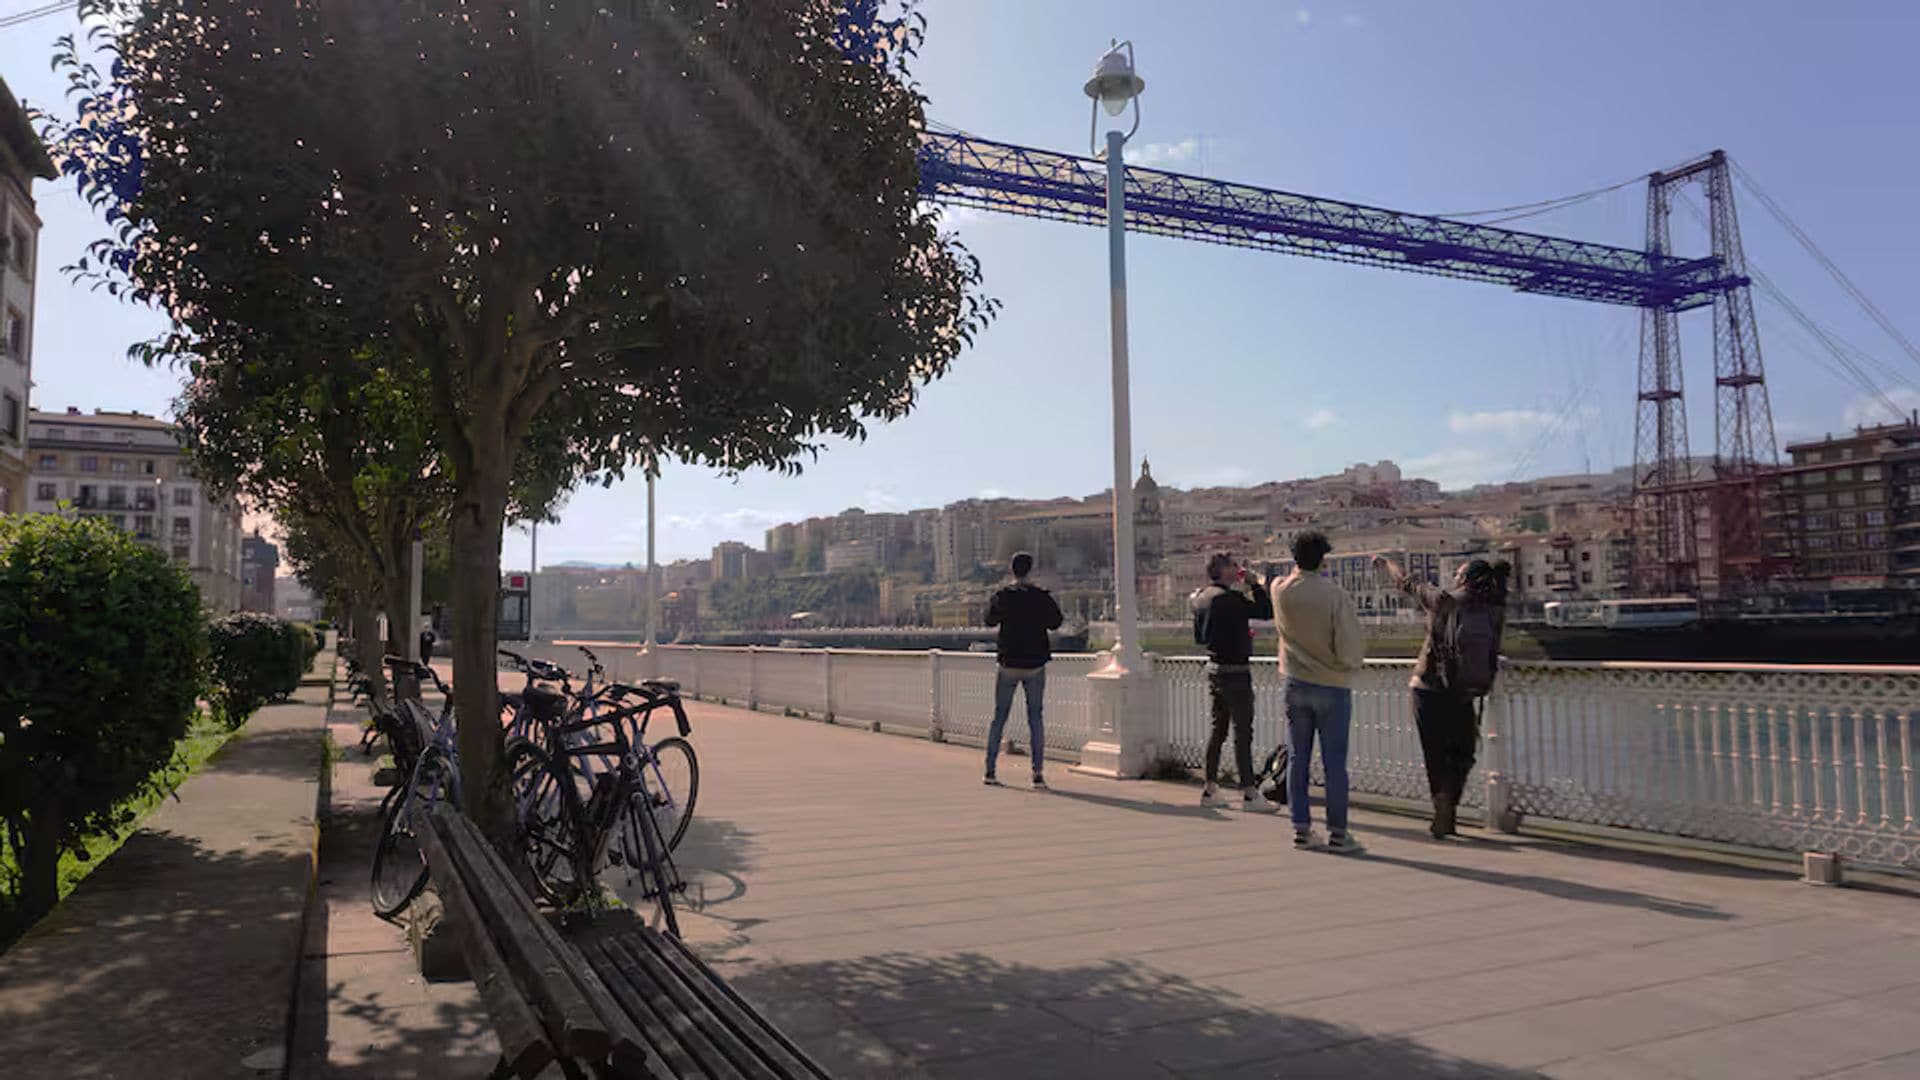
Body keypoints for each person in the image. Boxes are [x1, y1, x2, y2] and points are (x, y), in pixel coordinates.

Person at [1374, 555, 1511, 838]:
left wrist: (1387, 562)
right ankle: (1449, 802)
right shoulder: (1494, 608)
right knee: (1463, 753)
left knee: (1435, 754)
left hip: (1427, 687)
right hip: (1464, 691)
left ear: (1463, 579)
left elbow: (1406, 582)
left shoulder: (1443, 600)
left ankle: (1442, 807)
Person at [1271, 531, 1366, 853]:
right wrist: (1348, 664)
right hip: (1332, 685)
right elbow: (1348, 646)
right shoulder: (1334, 595)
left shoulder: (1279, 590)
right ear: (1323, 559)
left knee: (1298, 758)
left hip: (1295, 683)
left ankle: (1301, 828)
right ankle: (1338, 832)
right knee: (1334, 763)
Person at [1191, 552, 1279, 811]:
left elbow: (1199, 638)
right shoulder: (1229, 599)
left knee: (1218, 730)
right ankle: (1250, 792)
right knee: (1243, 733)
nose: (1238, 569)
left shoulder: (1200, 599)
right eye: (1234, 566)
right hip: (1236, 671)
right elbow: (1265, 611)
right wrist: (1254, 583)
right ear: (1222, 570)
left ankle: (1210, 788)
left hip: (1214, 668)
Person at [983, 551, 1064, 789]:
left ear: (1012, 570)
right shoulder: (1041, 597)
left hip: (1008, 663)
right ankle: (1037, 774)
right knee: (1035, 717)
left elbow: (989, 620)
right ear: (1031, 570)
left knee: (999, 717)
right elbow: (1056, 622)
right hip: (1035, 664)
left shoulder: (1003, 596)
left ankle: (990, 770)